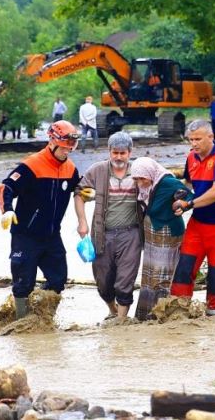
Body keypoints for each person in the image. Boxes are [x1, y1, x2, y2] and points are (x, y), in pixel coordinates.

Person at [0, 120, 83, 319]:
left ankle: (42, 319)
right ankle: (21, 323)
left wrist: (85, 192)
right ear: (52, 142)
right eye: (63, 148)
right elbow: (7, 187)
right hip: (25, 235)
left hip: (52, 236)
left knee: (58, 279)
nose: (67, 152)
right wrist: (7, 210)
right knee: (23, 283)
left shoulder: (70, 169)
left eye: (70, 148)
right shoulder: (32, 165)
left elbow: (79, 188)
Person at [169, 120, 215, 316]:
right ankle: (178, 312)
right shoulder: (191, 157)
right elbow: (188, 185)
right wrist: (178, 196)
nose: (194, 144)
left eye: (198, 139)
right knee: (184, 268)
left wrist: (189, 205)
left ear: (211, 137)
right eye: (191, 140)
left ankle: (214, 315)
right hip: (198, 224)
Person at [75, 132, 143, 320]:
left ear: (130, 152)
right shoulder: (98, 170)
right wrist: (82, 222)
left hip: (131, 235)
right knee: (103, 281)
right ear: (109, 151)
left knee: (125, 279)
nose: (119, 157)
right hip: (102, 234)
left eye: (123, 153)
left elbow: (158, 183)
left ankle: (121, 321)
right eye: (115, 153)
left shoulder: (139, 170)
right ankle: (112, 310)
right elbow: (79, 194)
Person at [131, 157, 193, 321]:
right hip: (152, 231)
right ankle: (145, 316)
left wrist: (182, 205)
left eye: (142, 178)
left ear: (150, 174)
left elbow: (188, 196)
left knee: (162, 276)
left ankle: (161, 317)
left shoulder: (167, 182)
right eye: (136, 179)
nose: (139, 182)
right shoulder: (146, 185)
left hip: (167, 232)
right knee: (149, 275)